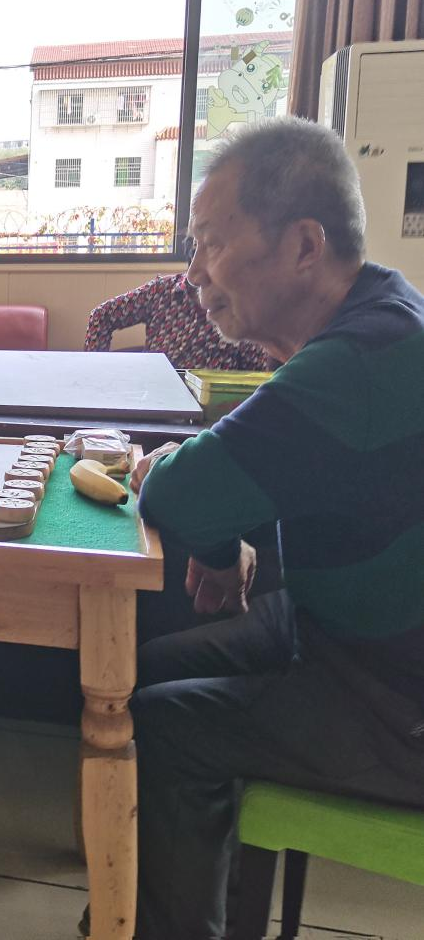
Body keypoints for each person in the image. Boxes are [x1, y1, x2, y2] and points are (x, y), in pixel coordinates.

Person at [119, 117, 424, 939]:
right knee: (140, 671)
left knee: (168, 725)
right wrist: (221, 545)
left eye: (210, 245)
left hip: (396, 698)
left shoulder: (358, 362)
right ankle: (164, 900)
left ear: (302, 246)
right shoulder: (381, 314)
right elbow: (240, 480)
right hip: (339, 633)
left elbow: (181, 490)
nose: (192, 274)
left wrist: (199, 509)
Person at [84, 271, 276, 371]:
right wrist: (95, 371)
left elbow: (253, 378)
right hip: (155, 402)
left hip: (213, 413)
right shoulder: (162, 291)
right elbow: (102, 316)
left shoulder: (243, 305)